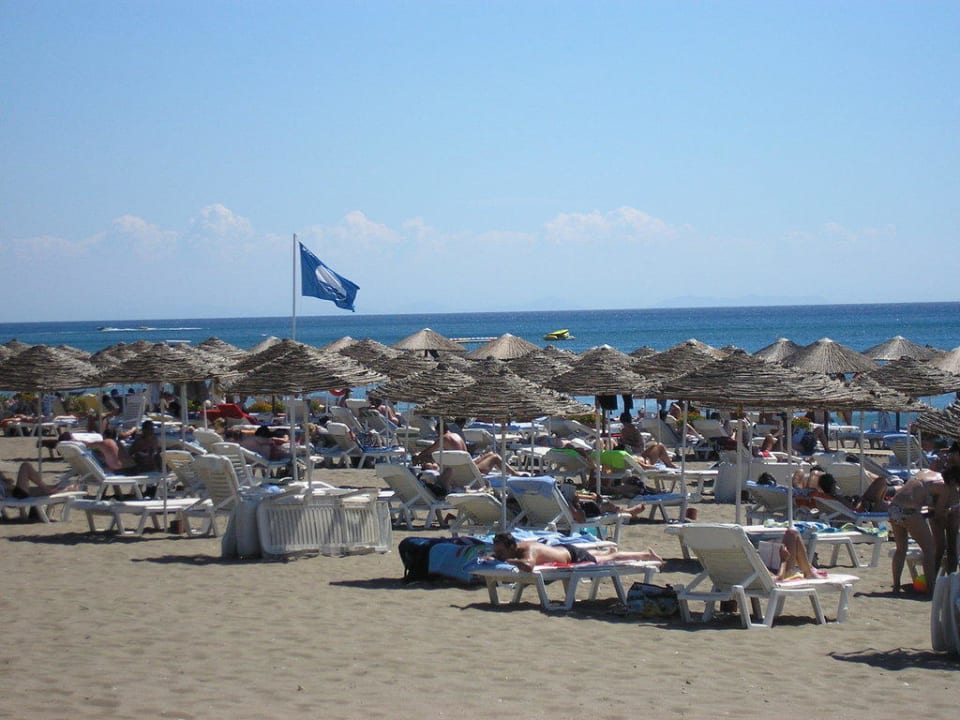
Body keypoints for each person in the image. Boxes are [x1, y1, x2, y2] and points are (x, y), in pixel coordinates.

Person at [888, 469, 947, 594]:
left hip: (893, 507)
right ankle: (931, 588)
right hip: (909, 512)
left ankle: (896, 585)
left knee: (901, 549)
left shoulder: (924, 474)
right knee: (930, 550)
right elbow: (940, 511)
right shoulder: (942, 484)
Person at [490, 532, 662, 571]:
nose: (500, 555)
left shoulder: (527, 551)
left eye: (501, 552)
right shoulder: (515, 547)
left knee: (610, 558)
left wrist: (507, 561)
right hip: (564, 551)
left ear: (512, 547)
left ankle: (646, 555)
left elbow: (528, 566)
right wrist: (493, 556)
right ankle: (607, 551)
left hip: (573, 557)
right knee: (600, 555)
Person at [0, 462, 77, 498]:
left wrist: (5, 480)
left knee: (44, 489)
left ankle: (64, 489)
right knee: (25, 466)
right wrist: (8, 485)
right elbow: (6, 488)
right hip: (11, 494)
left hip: (13, 493)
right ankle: (50, 489)